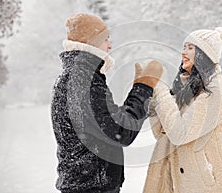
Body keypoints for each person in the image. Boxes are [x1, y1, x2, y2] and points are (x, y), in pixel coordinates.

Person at [51, 13, 163, 193]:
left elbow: (106, 125)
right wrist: (143, 88)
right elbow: (119, 131)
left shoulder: (74, 77)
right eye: (105, 39)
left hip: (85, 184)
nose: (110, 45)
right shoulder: (83, 81)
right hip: (92, 187)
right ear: (91, 41)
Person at [143, 27, 222, 193]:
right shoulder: (187, 86)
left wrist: (160, 89)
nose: (183, 52)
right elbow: (162, 133)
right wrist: (153, 94)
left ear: (204, 55)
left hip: (209, 184)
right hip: (182, 181)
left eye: (190, 48)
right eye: (184, 47)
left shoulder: (216, 90)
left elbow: (180, 133)